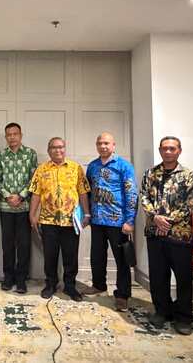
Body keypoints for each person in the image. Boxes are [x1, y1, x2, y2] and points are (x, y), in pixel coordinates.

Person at [140, 136, 193, 335]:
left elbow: (190, 203)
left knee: (183, 278)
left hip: (180, 235)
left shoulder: (189, 175)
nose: (168, 151)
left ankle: (184, 317)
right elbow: (144, 197)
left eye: (172, 148)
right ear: (160, 150)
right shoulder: (150, 174)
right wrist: (155, 218)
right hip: (154, 233)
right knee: (158, 276)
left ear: (179, 150)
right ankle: (161, 311)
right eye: (164, 148)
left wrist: (167, 221)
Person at [29, 137, 90, 302]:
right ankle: (51, 284)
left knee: (71, 256)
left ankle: (70, 286)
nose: (58, 150)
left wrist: (87, 214)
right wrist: (32, 215)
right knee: (50, 255)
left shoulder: (76, 168)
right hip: (48, 221)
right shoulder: (41, 169)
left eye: (61, 147)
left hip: (71, 221)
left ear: (65, 148)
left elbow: (83, 192)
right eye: (54, 147)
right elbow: (36, 194)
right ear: (49, 151)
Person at [84, 132, 138, 312]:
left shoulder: (124, 166)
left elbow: (131, 194)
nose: (103, 146)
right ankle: (99, 285)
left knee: (121, 260)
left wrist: (130, 220)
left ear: (113, 145)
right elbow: (88, 192)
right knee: (97, 256)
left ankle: (122, 295)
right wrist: (87, 214)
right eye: (100, 143)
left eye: (106, 143)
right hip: (97, 220)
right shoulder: (92, 166)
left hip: (118, 221)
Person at [0, 122, 37, 293]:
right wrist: (7, 195)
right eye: (9, 134)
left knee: (24, 245)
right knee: (7, 244)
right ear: (6, 137)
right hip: (6, 208)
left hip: (24, 207)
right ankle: (8, 277)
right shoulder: (1, 155)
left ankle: (21, 279)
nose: (12, 137)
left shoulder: (30, 154)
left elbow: (34, 179)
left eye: (15, 134)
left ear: (20, 135)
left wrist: (21, 195)